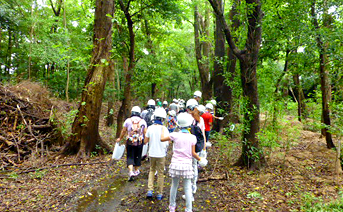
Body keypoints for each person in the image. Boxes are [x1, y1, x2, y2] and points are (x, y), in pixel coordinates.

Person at [160, 112, 206, 212]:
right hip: (187, 165)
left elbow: (162, 139)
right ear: (189, 125)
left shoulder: (174, 135)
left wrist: (163, 128)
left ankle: (172, 206)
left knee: (174, 185)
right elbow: (193, 153)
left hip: (175, 164)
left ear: (179, 125)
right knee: (187, 188)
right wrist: (200, 159)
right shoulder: (192, 137)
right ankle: (188, 209)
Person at [116, 106, 147, 181]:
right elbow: (145, 132)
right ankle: (136, 170)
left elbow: (123, 130)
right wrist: (146, 141)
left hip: (130, 141)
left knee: (130, 156)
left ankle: (130, 171)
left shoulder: (128, 120)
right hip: (139, 141)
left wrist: (120, 138)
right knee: (138, 155)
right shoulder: (143, 121)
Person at [145, 108, 169, 200]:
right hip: (161, 154)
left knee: (151, 170)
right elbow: (167, 142)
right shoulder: (164, 129)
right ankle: (159, 193)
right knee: (160, 173)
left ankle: (150, 190)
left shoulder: (150, 128)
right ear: (163, 119)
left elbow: (146, 141)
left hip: (152, 153)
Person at [185, 99, 206, 198]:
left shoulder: (187, 118)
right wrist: (204, 147)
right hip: (196, 146)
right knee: (194, 166)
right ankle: (193, 186)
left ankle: (189, 189)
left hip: (187, 146)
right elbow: (203, 134)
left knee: (188, 167)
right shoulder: (200, 120)